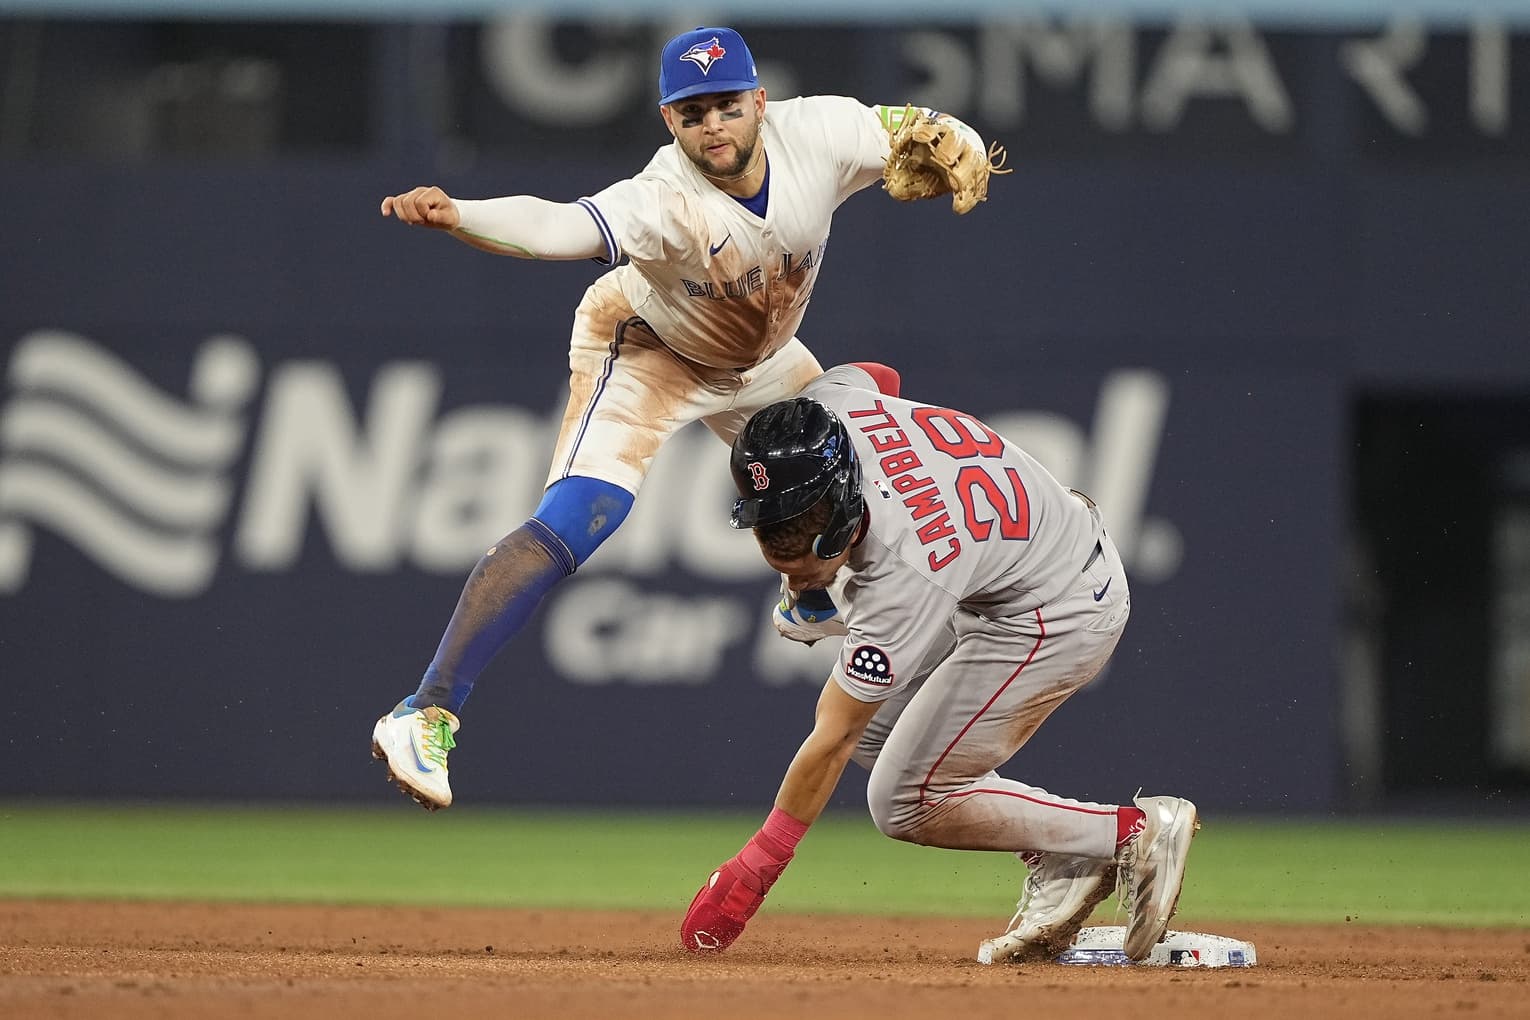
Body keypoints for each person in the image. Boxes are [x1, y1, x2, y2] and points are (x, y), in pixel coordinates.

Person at [368, 27, 1006, 810]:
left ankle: (803, 584)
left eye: (727, 106)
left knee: (865, 442)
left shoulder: (824, 132)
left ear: (759, 103)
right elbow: (555, 227)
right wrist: (460, 212)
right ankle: (423, 710)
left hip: (763, 358)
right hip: (649, 350)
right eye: (693, 111)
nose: (714, 126)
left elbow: (925, 128)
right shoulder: (664, 198)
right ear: (670, 121)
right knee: (581, 517)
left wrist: (965, 144)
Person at [679, 364, 1199, 964]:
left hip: (1059, 611)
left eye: (806, 534)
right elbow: (879, 375)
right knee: (882, 733)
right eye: (771, 526)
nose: (784, 544)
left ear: (847, 504)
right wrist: (813, 578)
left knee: (902, 800)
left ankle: (1133, 834)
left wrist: (756, 868)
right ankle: (1061, 857)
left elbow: (833, 734)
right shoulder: (829, 406)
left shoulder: (904, 567)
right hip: (1026, 567)